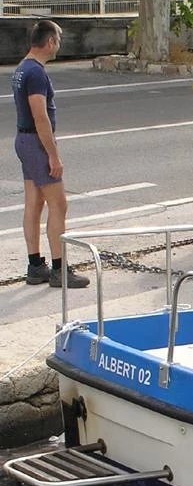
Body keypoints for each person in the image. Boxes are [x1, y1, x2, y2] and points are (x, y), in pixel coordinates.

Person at [12, 20, 89, 288]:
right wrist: (53, 155)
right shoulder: (36, 73)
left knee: (34, 204)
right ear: (50, 42)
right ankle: (59, 269)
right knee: (59, 204)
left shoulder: (23, 68)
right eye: (58, 39)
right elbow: (40, 116)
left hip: (24, 140)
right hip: (36, 142)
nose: (59, 44)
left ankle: (35, 265)